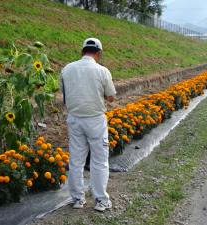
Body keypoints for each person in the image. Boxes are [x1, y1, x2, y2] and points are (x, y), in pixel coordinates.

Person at [61, 37, 116, 211]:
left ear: (82, 51)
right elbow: (111, 97)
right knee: (99, 160)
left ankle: (78, 199)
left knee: (76, 160)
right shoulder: (102, 71)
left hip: (75, 118)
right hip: (95, 120)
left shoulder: (66, 69)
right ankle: (101, 200)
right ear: (98, 53)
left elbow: (64, 95)